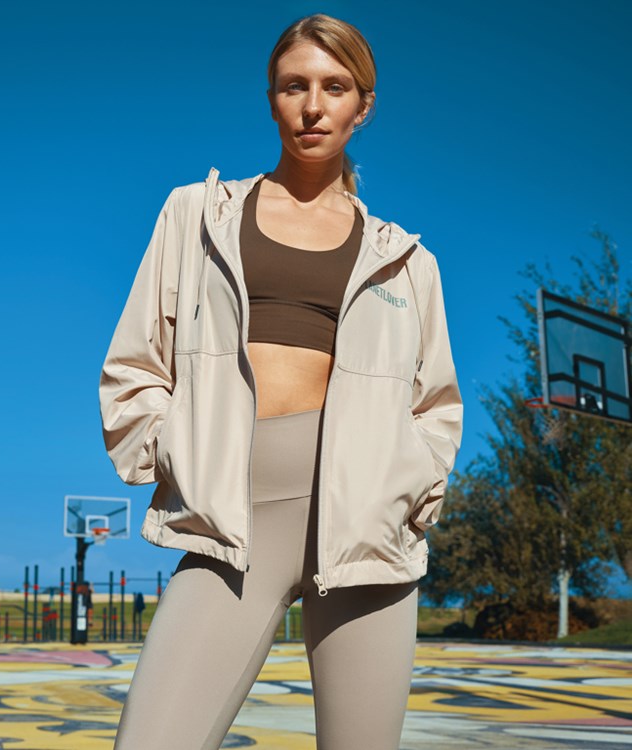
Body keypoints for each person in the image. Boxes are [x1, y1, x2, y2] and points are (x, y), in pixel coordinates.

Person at [99, 14, 463, 750]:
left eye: (335, 87)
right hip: (234, 523)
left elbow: (436, 406)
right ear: (272, 99)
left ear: (363, 106)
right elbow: (136, 362)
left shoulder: (407, 261)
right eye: (295, 86)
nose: (313, 106)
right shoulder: (196, 214)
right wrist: (173, 452)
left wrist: (410, 488)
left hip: (367, 531)